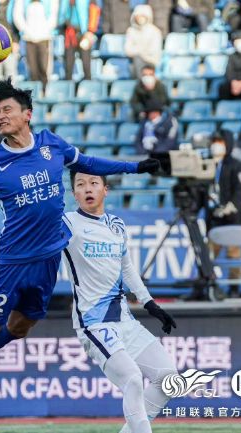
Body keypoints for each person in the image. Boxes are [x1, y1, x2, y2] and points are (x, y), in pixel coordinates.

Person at [0, 78, 160, 432]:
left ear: (27, 114)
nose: (1, 116)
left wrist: (135, 167)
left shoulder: (52, 145)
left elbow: (91, 162)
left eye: (7, 110)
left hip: (48, 260)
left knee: (20, 328)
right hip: (13, 264)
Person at [63, 170, 177, 433]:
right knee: (133, 380)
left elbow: (126, 268)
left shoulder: (117, 224)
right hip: (94, 324)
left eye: (94, 183)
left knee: (168, 379)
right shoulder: (67, 223)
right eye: (80, 184)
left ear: (106, 189)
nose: (87, 188)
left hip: (125, 320)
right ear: (74, 193)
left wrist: (150, 304)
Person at [205, 131, 241, 298]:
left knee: (234, 254)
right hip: (214, 218)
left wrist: (232, 206)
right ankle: (207, 285)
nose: (217, 145)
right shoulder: (208, 165)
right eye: (215, 141)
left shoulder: (237, 165)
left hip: (233, 218)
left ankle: (234, 288)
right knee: (208, 254)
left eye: (220, 141)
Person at [13, 0, 59, 87]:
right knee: (32, 70)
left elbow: (53, 17)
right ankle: (34, 95)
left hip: (44, 38)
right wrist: (27, 31)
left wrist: (43, 31)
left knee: (44, 69)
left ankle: (44, 94)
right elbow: (17, 16)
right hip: (29, 39)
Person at [59, 0, 100, 81]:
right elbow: (61, 14)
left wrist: (90, 31)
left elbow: (94, 11)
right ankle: (68, 86)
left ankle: (87, 84)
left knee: (86, 62)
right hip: (69, 33)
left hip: (84, 33)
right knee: (68, 62)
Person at [125, 5, 163, 77]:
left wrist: (138, 51)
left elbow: (154, 51)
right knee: (137, 60)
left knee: (138, 60)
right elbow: (127, 50)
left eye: (142, 16)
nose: (140, 18)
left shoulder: (155, 31)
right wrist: (141, 52)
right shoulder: (130, 31)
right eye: (138, 16)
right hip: (135, 62)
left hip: (151, 62)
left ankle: (142, 84)